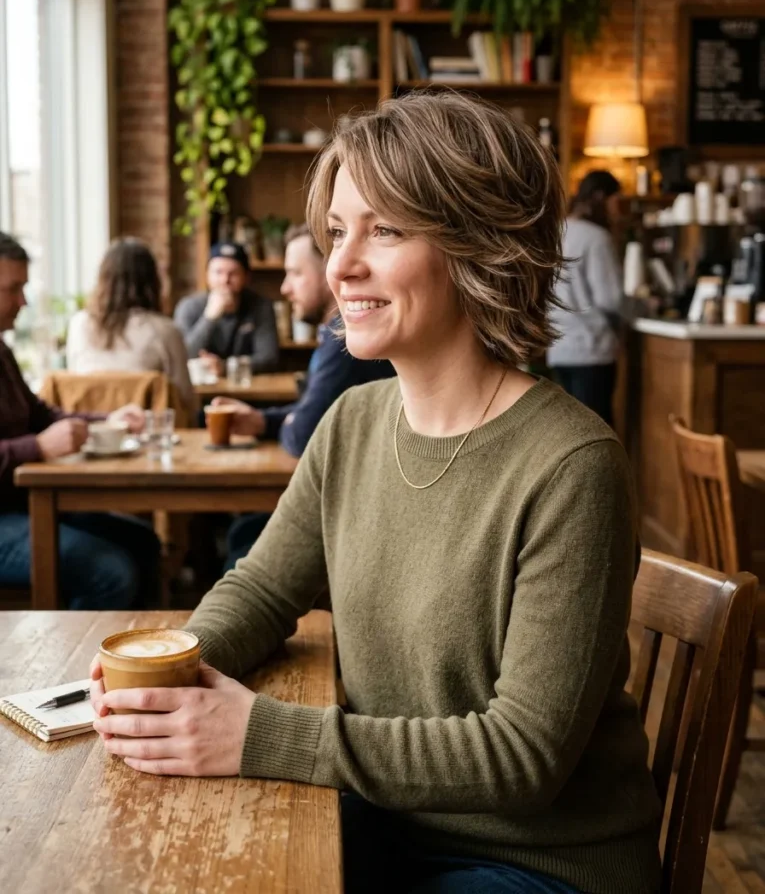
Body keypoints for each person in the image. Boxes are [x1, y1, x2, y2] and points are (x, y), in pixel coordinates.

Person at [90, 93, 661, 894]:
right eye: (337, 231)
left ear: (480, 246)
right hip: (380, 817)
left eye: (384, 230)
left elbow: (522, 757)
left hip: (535, 862)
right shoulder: (355, 420)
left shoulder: (571, 465)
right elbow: (261, 584)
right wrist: (174, 672)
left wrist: (257, 735)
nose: (340, 264)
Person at [213, 222, 395, 571]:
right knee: (242, 532)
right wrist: (263, 421)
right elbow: (310, 412)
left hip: (358, 514)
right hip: (354, 501)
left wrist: (292, 422)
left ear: (330, 268)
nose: (284, 288)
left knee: (241, 549)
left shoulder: (343, 341)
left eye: (295, 273)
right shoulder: (337, 333)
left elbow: (303, 434)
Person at [0, 232, 160, 609]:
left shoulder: (1, 350)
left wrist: (109, 420)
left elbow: (43, 415)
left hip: (23, 504)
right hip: (9, 512)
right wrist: (36, 447)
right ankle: (77, 666)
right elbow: (40, 433)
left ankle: (149, 658)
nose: (22, 302)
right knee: (111, 572)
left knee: (144, 543)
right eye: (12, 289)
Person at [66, 237, 195, 416]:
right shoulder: (165, 331)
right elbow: (185, 401)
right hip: (148, 438)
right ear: (152, 281)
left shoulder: (78, 324)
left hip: (91, 435)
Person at [547, 170, 623, 425]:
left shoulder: (557, 232)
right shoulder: (597, 238)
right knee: (597, 430)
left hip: (559, 348)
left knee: (572, 431)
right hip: (591, 350)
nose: (617, 209)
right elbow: (610, 299)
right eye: (616, 201)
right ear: (601, 197)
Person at [174, 241, 279, 377]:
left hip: (248, 390)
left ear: (246, 277)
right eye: (218, 272)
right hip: (201, 391)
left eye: (233, 273)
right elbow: (181, 356)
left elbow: (269, 358)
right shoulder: (188, 307)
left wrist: (224, 366)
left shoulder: (261, 306)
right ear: (207, 275)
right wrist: (209, 318)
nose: (225, 280)